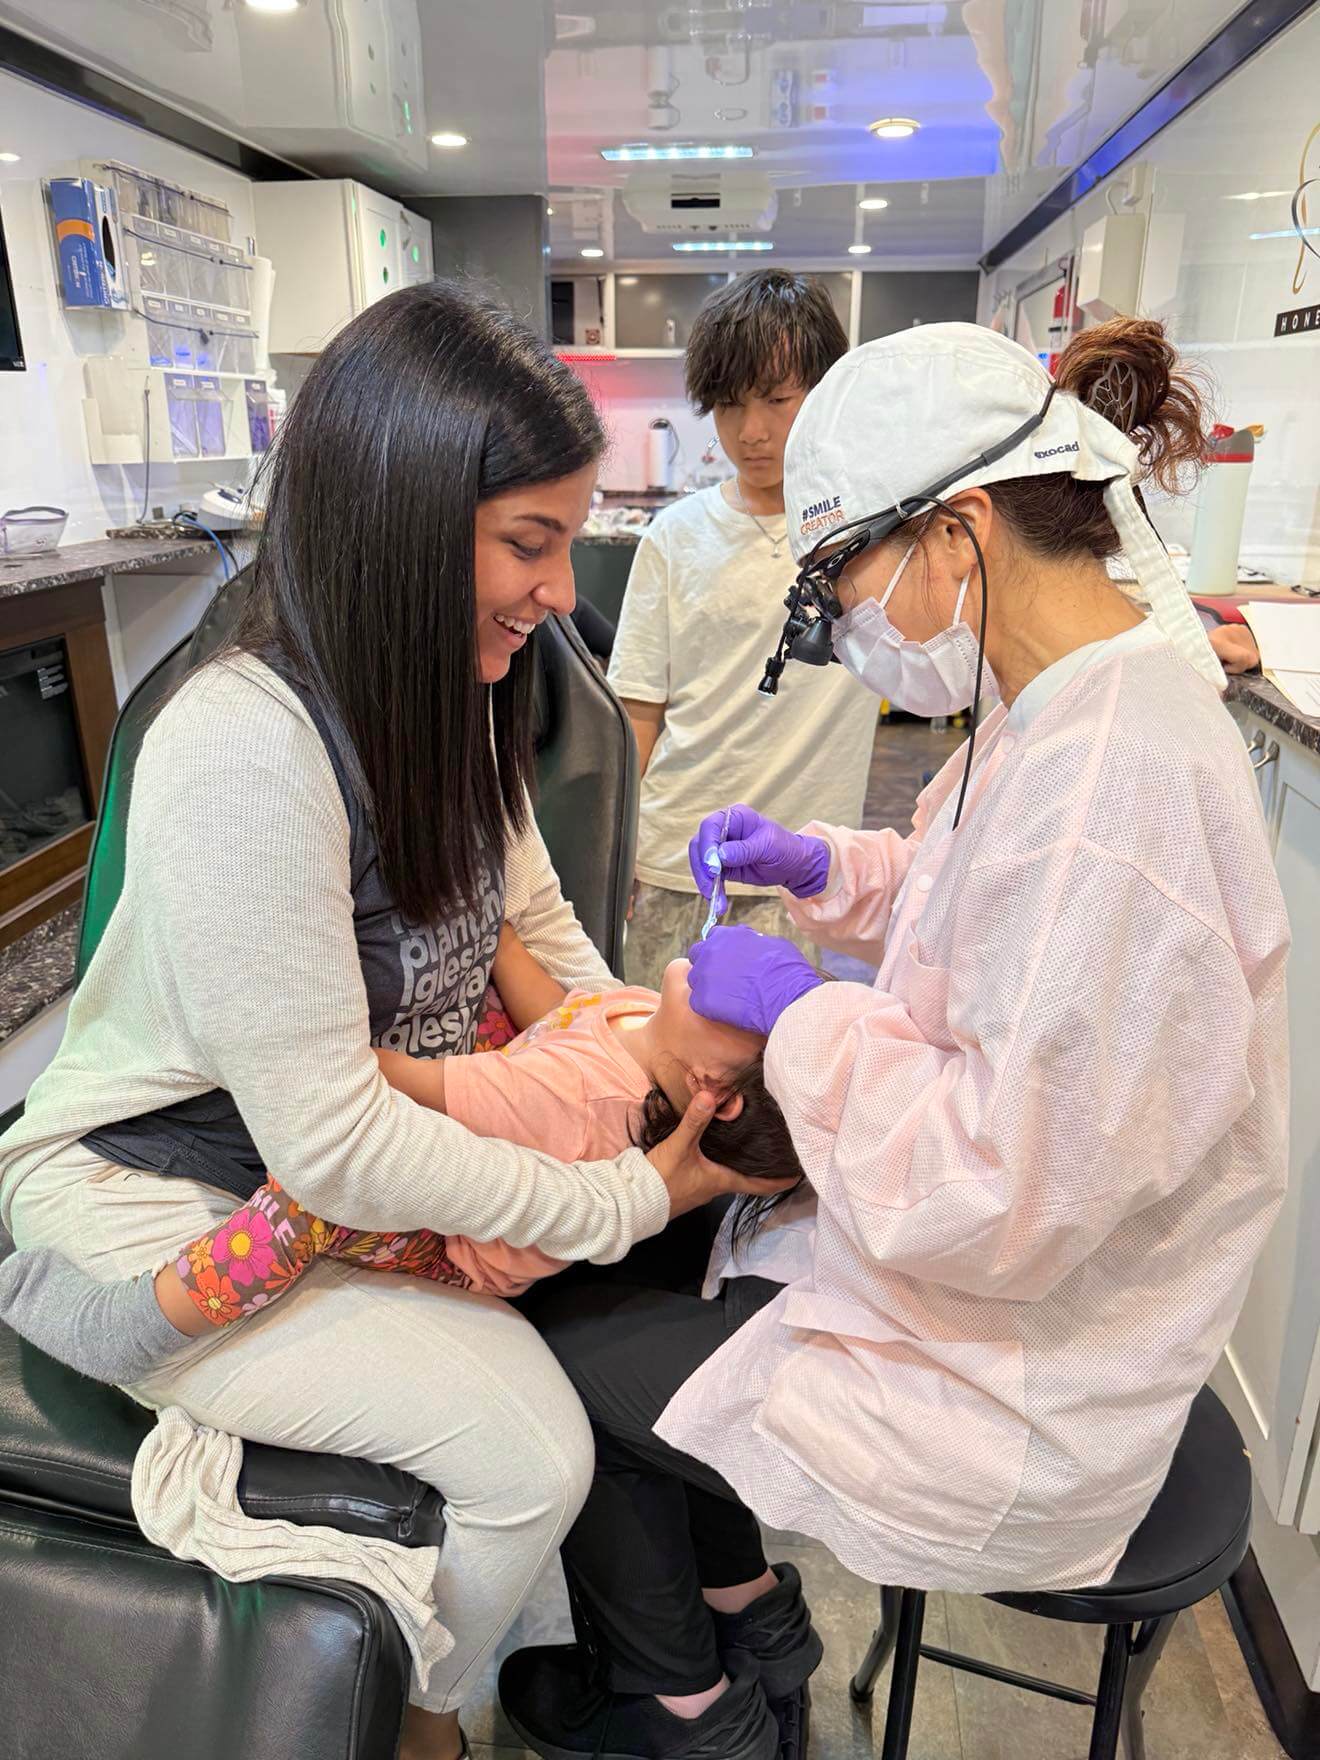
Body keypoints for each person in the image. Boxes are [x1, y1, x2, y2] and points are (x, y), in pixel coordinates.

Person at [0, 283, 786, 1760]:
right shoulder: (245, 745)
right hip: (155, 1193)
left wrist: (641, 1053)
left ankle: (624, 1658)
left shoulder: (458, 697)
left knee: (598, 1335)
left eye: (567, 542)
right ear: (403, 518)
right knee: (530, 1453)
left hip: (316, 1189)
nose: (557, 592)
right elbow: (338, 1143)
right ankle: (421, 1720)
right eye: (529, 543)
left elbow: (543, 934)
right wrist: (626, 1190)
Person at [498, 318, 1289, 1760]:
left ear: (958, 530)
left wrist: (799, 1014)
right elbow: (966, 898)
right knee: (651, 1265)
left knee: (564, 1345)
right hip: (992, 1299)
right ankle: (752, 1628)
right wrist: (825, 866)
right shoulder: (1063, 704)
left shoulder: (1114, 783)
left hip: (1016, 1385)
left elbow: (996, 1186)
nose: (847, 619)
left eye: (846, 575)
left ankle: (684, 1714)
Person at [0, 928, 804, 1379]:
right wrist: (493, 931)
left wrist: (275, 1046)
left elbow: (412, 1082)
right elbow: (562, 1013)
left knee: (314, 1199)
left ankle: (133, 1329)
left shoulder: (573, 1100)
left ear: (714, 1087)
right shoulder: (640, 1021)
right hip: (514, 1112)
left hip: (456, 1249)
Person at [609, 270, 881, 987]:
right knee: (658, 1047)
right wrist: (616, 850)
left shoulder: (874, 536)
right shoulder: (675, 537)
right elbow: (638, 712)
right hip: (677, 863)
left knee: (789, 1058)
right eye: (729, 405)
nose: (751, 432)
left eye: (776, 400)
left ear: (824, 393)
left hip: (806, 874)